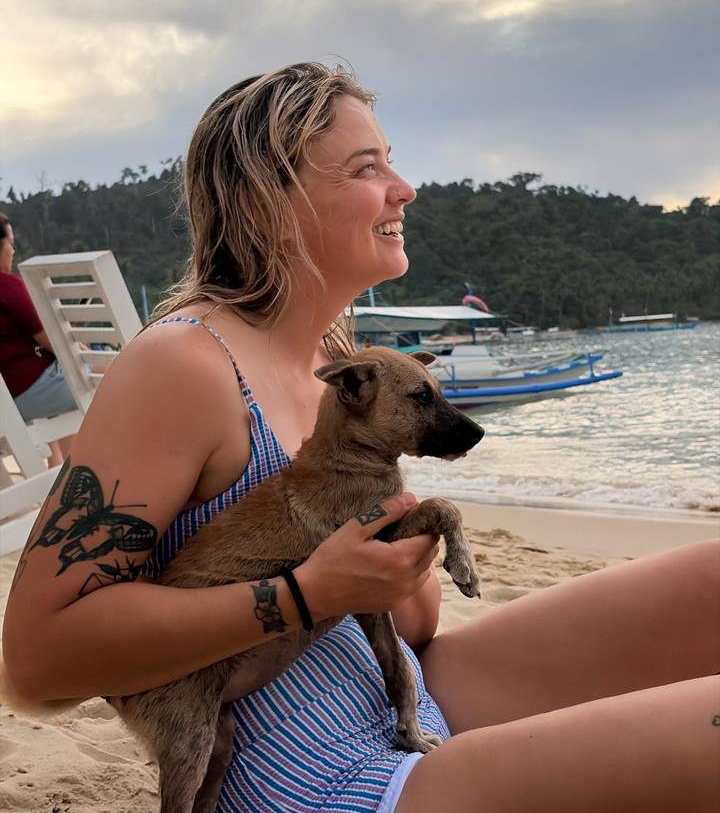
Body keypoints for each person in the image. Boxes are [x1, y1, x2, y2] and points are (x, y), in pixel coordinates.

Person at [2, 63, 718, 813]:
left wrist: (387, 561)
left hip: (396, 704)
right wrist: (302, 594)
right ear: (267, 203)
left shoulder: (339, 364)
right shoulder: (186, 363)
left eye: (390, 161)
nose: (404, 188)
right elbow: (38, 659)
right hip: (324, 781)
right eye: (366, 168)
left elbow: (415, 621)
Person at [0, 213, 77, 467]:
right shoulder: (6, 286)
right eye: (11, 243)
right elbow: (51, 340)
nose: (13, 250)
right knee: (113, 373)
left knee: (66, 400)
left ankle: (64, 470)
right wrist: (78, 346)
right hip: (26, 394)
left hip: (11, 399)